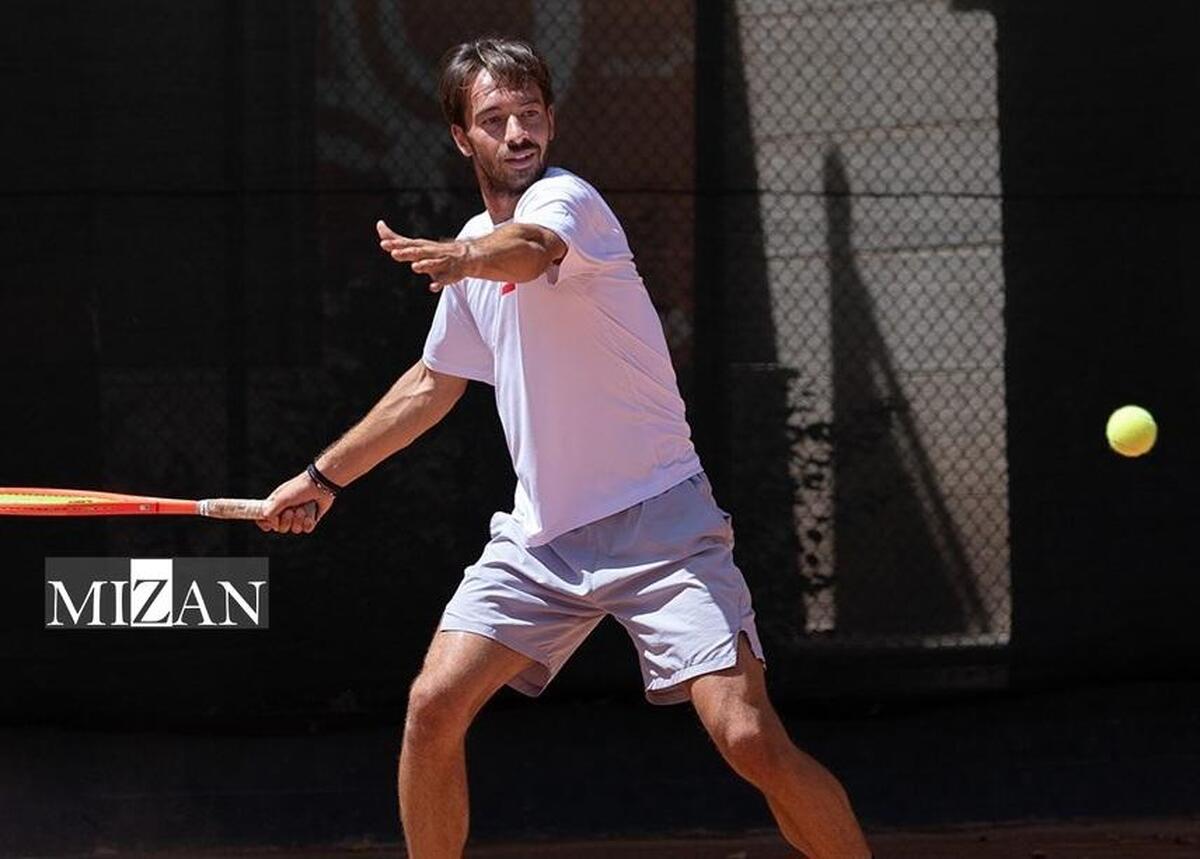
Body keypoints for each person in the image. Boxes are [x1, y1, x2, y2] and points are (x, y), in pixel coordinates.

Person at [259, 37, 872, 859]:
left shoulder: (566, 202)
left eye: (530, 114)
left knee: (748, 736)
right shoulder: (474, 250)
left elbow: (530, 250)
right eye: (495, 119)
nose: (518, 133)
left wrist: (466, 257)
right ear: (460, 137)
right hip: (542, 538)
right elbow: (430, 385)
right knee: (432, 705)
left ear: (550, 120)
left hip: (660, 523)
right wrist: (321, 477)